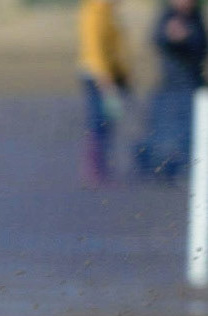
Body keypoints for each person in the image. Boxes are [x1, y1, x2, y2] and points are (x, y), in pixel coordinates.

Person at [136, 0, 207, 179]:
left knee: (193, 135)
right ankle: (158, 168)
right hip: (171, 88)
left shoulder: (195, 18)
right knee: (163, 135)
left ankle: (190, 170)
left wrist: (188, 37)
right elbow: (157, 38)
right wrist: (171, 36)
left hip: (193, 87)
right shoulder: (167, 16)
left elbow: (201, 45)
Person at [79, 0, 133, 184]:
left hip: (112, 75)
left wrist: (123, 74)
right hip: (98, 77)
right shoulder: (93, 12)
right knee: (98, 121)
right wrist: (105, 81)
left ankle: (104, 167)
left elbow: (116, 47)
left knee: (109, 121)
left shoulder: (108, 12)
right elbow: (95, 51)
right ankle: (95, 170)